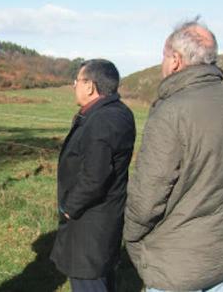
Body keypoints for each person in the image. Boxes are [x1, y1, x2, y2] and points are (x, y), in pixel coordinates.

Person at [124, 20, 223, 292]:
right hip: (221, 258)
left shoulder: (171, 111)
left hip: (173, 265)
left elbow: (147, 195)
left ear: (175, 60)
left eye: (163, 57)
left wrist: (130, 235)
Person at [50, 59, 136, 292]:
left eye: (76, 81)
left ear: (90, 86)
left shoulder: (103, 120)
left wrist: (69, 207)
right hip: (100, 221)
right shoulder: (115, 112)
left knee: (90, 281)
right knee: (100, 280)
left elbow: (94, 178)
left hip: (91, 225)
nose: (73, 86)